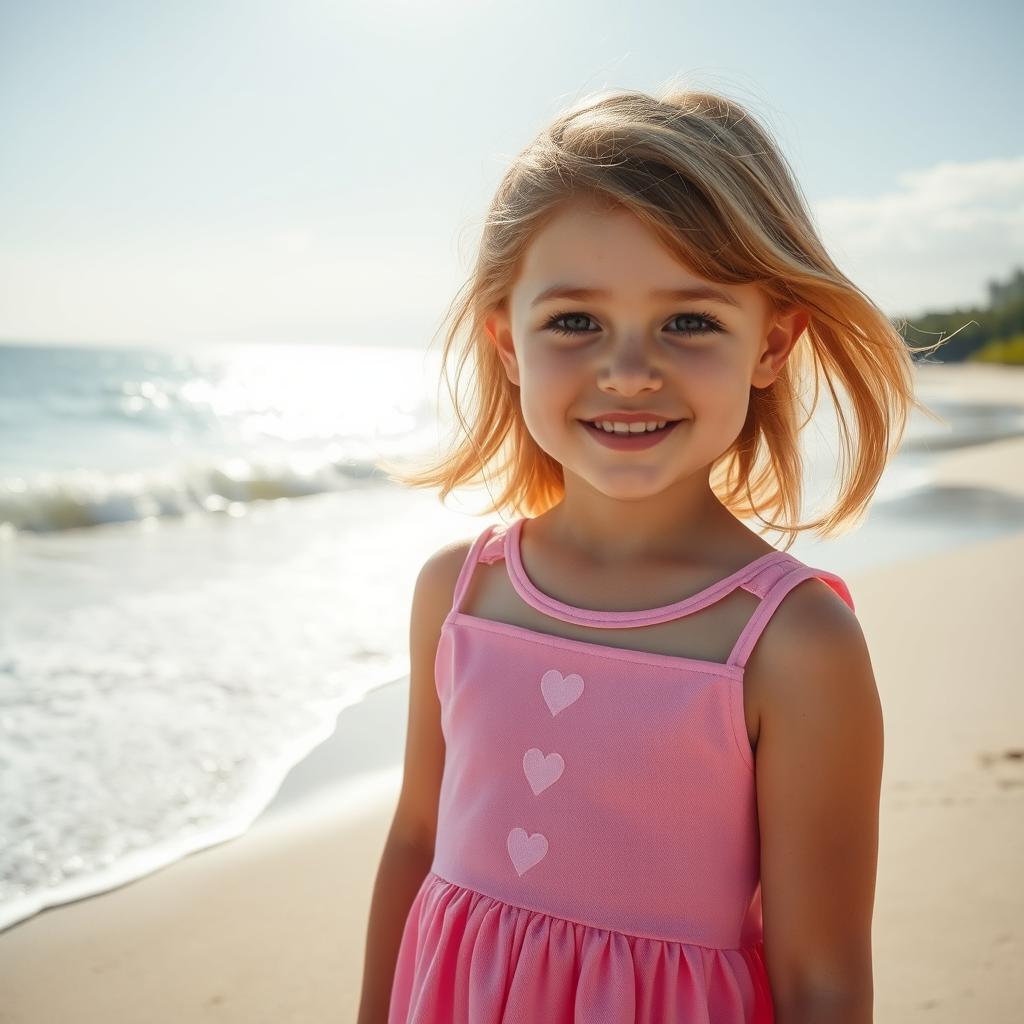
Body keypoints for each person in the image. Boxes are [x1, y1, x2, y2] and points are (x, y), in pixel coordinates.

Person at [357, 84, 944, 1024]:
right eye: (575, 321)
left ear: (773, 342)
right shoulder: (459, 594)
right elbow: (415, 842)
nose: (629, 368)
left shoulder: (794, 645)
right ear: (508, 342)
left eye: (691, 321)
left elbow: (823, 981)